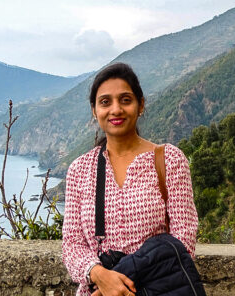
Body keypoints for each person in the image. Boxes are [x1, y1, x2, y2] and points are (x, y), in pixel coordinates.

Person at [62, 63, 199, 296]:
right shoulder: (80, 170)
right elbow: (72, 244)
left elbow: (183, 241)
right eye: (105, 102)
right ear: (94, 110)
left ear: (140, 105)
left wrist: (122, 283)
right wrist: (99, 275)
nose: (116, 109)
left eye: (125, 100)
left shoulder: (169, 160)